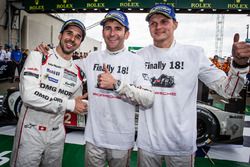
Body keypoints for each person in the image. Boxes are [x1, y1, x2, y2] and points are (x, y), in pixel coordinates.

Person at [136, 4, 250, 167]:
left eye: (164, 21)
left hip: (181, 146)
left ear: (175, 25)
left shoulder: (194, 54)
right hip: (147, 145)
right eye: (153, 23)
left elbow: (228, 90)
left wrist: (239, 64)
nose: (158, 26)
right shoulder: (138, 56)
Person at [76, 10, 154, 167]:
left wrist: (117, 85)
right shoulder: (91, 58)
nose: (112, 33)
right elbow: (66, 68)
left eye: (118, 28)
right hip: (94, 138)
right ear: (103, 32)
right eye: (108, 28)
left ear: (126, 34)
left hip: (121, 141)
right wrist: (47, 53)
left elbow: (148, 99)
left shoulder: (136, 61)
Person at [10, 19, 88, 167]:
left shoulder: (77, 72)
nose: (72, 38)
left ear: (80, 43)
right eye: (69, 33)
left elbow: (75, 103)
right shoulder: (39, 56)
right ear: (60, 35)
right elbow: (29, 95)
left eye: (78, 36)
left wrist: (85, 106)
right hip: (30, 131)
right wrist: (69, 104)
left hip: (57, 134)